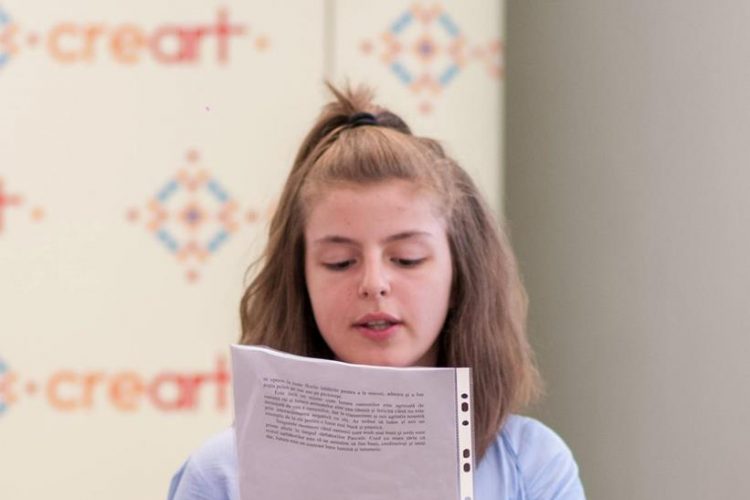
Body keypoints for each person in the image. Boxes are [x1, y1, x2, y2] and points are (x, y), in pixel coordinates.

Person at [168, 84, 585, 499]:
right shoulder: (222, 476)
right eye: (340, 262)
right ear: (301, 282)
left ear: (460, 276)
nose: (374, 284)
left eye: (406, 259)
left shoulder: (532, 466)